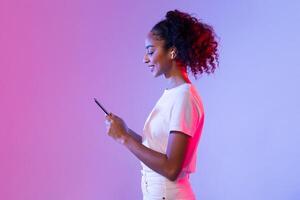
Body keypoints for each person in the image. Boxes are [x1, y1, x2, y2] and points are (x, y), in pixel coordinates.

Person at [104, 9, 218, 200]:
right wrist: (125, 131)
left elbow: (171, 168)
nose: (145, 58)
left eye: (151, 51)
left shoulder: (184, 98)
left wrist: (124, 138)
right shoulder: (172, 95)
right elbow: (157, 150)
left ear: (172, 52)